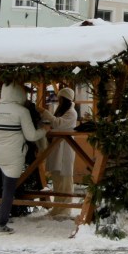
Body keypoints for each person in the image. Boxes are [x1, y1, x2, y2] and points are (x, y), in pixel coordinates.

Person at [0, 83, 47, 233]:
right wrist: (44, 131)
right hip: (14, 155)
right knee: (8, 190)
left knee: (5, 186)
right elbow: (31, 135)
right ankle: (2, 223)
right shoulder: (22, 112)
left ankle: (3, 218)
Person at [42, 87, 78, 218]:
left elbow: (58, 123)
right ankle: (57, 208)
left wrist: (45, 112)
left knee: (65, 180)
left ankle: (65, 209)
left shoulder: (71, 113)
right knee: (57, 180)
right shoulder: (64, 111)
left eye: (60, 98)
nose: (58, 100)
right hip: (57, 149)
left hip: (65, 149)